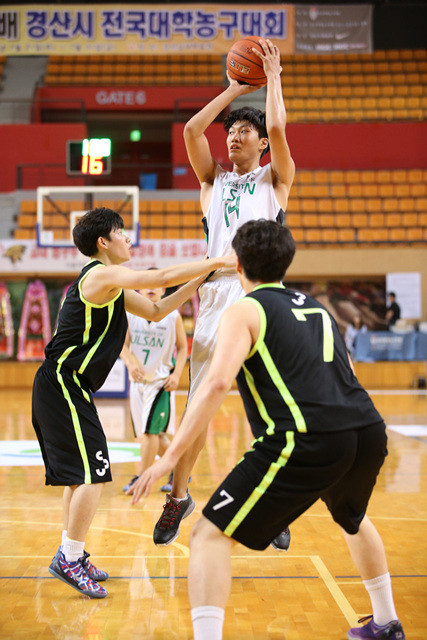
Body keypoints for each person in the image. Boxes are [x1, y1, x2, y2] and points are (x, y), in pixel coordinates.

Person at [132, 220, 405, 640]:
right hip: (366, 428)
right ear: (287, 262)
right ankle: (386, 622)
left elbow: (217, 384)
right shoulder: (318, 307)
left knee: (208, 534)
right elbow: (349, 374)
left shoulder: (243, 309)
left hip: (306, 437)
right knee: (351, 516)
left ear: (236, 263)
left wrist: (170, 459)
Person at [31, 207, 235, 599]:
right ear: (103, 243)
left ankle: (73, 551)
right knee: (94, 472)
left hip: (66, 387)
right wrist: (220, 259)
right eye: (121, 233)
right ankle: (69, 558)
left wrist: (200, 279)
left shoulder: (110, 287)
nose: (129, 239)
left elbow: (158, 310)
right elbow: (158, 279)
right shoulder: (101, 275)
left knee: (80, 475)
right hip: (62, 383)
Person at [142, 37, 295, 551]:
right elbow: (190, 130)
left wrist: (271, 78)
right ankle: (178, 497)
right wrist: (233, 90)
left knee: (270, 411)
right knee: (196, 412)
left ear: (262, 145)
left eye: (244, 131)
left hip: (263, 294)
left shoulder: (276, 179)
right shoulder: (213, 183)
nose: (233, 136)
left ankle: (270, 505)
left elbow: (278, 126)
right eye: (230, 131)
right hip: (215, 296)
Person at [120, 280, 187, 494]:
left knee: (149, 433)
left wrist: (177, 374)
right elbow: (122, 345)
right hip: (137, 383)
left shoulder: (172, 316)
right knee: (155, 437)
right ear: (138, 290)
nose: (151, 288)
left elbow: (184, 347)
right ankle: (181, 470)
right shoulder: (131, 315)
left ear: (163, 290)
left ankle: (141, 478)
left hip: (160, 383)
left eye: (156, 285)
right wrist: (130, 363)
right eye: (146, 285)